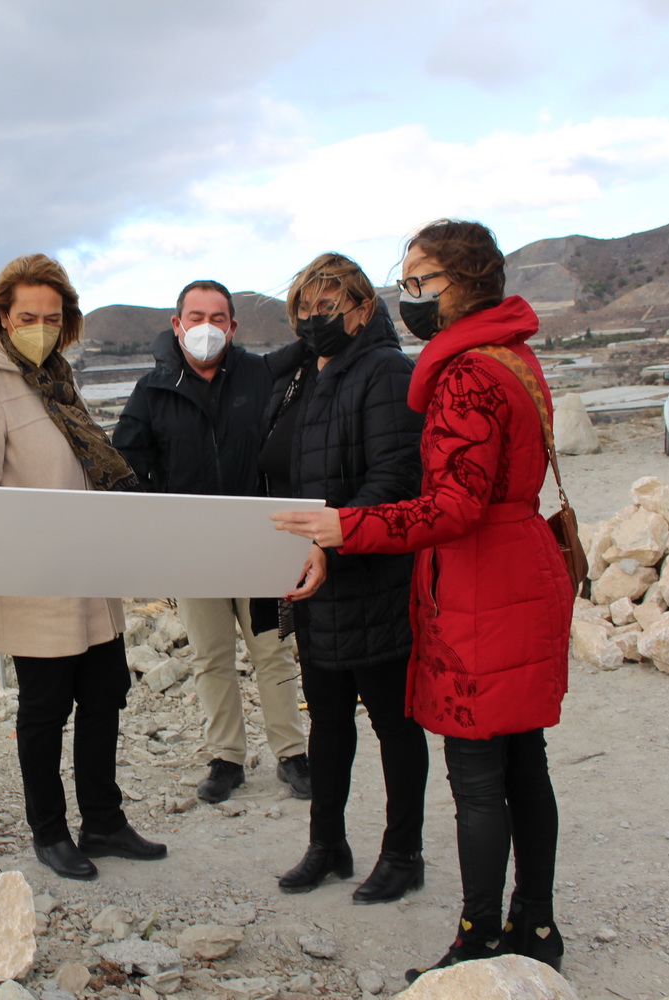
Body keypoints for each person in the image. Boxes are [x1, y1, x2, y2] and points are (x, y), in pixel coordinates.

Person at [273, 221, 572, 977]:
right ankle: (534, 926)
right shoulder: (515, 355)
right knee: (524, 763)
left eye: (419, 282)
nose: (408, 296)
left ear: (462, 283)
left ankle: (477, 941)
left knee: (478, 773)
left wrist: (348, 525)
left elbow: (453, 506)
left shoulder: (466, 372)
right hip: (525, 568)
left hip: (481, 583)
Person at [0, 253, 166, 881]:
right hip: (37, 582)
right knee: (45, 709)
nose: (39, 326)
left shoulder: (54, 378)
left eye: (51, 316)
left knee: (104, 696)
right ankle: (50, 831)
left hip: (89, 573)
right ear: (2, 317)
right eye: (27, 316)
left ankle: (103, 819)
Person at [258, 253, 428, 904]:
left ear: (361, 309)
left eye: (327, 307)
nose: (313, 319)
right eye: (303, 308)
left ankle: (403, 852)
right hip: (316, 579)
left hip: (372, 576)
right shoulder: (303, 375)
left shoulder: (384, 371)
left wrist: (341, 537)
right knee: (328, 722)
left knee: (394, 723)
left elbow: (393, 476)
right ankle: (327, 845)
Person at [113, 281, 312, 804]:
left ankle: (292, 754)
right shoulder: (152, 390)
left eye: (218, 317)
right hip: (192, 548)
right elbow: (125, 461)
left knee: (272, 650)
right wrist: (161, 515)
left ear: (233, 326)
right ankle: (225, 758)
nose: (207, 327)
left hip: (259, 541)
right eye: (195, 316)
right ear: (177, 324)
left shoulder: (260, 375)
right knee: (211, 656)